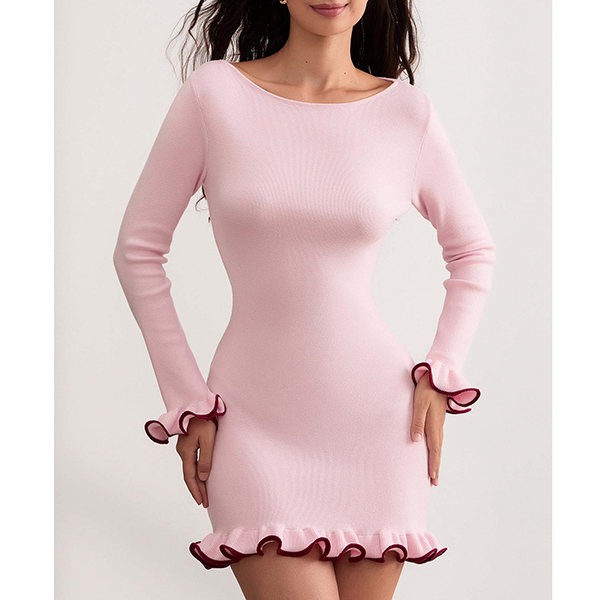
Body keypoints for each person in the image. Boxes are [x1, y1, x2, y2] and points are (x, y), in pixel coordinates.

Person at [113, 1, 496, 598]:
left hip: (378, 425)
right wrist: (187, 400)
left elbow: (473, 250)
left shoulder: (406, 113)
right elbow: (137, 251)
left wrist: (441, 371)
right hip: (251, 422)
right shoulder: (214, 96)